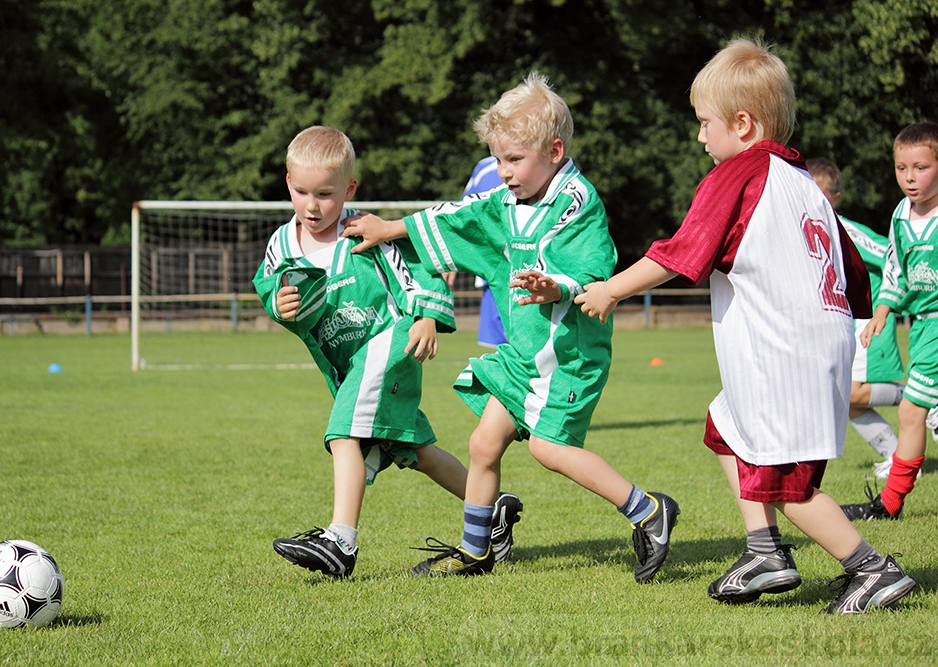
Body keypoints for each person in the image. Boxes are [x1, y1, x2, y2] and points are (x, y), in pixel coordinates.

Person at [574, 39, 915, 614]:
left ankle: (872, 569)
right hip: (812, 344)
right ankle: (765, 553)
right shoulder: (805, 183)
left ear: (743, 124)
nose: (700, 136)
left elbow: (683, 249)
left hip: (784, 351)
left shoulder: (741, 174)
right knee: (727, 426)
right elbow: (854, 272)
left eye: (705, 123)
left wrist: (611, 288)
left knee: (784, 481)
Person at [343, 73, 680, 582]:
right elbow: (457, 218)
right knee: (483, 444)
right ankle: (476, 551)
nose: (503, 172)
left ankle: (649, 512)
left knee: (548, 448)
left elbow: (594, 266)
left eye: (514, 160)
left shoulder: (575, 202)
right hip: (524, 353)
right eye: (498, 160)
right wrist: (390, 227)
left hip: (567, 355)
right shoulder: (504, 203)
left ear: (555, 149)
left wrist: (558, 287)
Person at [252, 126, 521, 578]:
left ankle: (341, 541)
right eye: (301, 192)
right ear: (287, 184)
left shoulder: (367, 232)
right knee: (419, 450)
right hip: (350, 364)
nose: (312, 205)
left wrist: (428, 318)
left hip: (391, 344)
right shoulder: (281, 246)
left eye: (325, 194)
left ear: (349, 189)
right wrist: (278, 305)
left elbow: (421, 270)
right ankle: (493, 513)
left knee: (343, 434)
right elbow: (270, 290)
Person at [840, 121, 938, 521]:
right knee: (913, 412)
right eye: (902, 168)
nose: (910, 178)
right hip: (921, 328)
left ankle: (890, 503)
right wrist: (881, 311)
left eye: (921, 167)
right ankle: (890, 503)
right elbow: (896, 270)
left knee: (913, 411)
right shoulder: (901, 214)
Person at [807, 158, 906, 478]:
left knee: (852, 394)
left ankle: (926, 393)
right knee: (849, 401)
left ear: (835, 199)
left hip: (869, 320)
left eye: (822, 196)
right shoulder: (808, 233)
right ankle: (898, 459)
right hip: (843, 329)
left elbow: (894, 255)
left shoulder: (846, 231)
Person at [462, 156, 509, 347]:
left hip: (530, 274)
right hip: (493, 272)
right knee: (498, 351)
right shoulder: (484, 168)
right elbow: (464, 213)